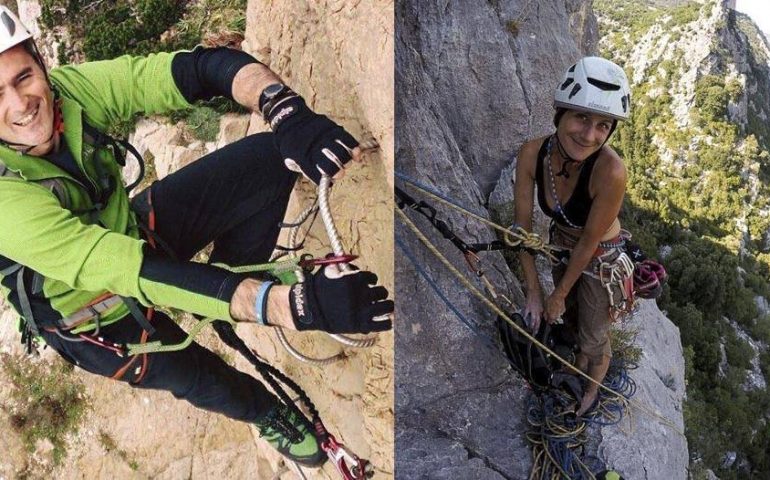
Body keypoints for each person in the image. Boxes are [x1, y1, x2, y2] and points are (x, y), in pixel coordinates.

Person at [0, 7, 392, 468]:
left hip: (132, 233)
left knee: (269, 156)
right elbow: (126, 269)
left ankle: (226, 293)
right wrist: (293, 307)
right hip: (89, 318)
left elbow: (193, 70)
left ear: (43, 68)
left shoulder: (71, 92)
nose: (20, 103)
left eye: (23, 78)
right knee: (202, 379)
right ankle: (268, 412)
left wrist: (284, 108)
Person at [513, 56, 632, 416]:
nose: (590, 134)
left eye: (603, 125)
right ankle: (574, 357)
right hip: (563, 242)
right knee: (572, 317)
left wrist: (558, 294)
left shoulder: (611, 172)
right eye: (581, 117)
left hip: (601, 254)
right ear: (560, 113)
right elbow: (522, 230)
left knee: (594, 333)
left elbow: (589, 242)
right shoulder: (532, 154)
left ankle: (590, 389)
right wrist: (535, 292)